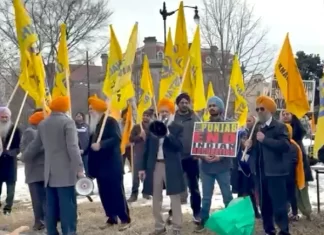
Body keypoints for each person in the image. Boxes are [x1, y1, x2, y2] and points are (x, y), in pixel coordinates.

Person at [23, 96, 84, 235]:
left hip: (48, 172)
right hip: (66, 172)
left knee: (51, 205)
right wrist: (79, 167)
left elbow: (34, 145)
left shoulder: (43, 124)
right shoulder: (68, 123)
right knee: (67, 205)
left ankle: (51, 231)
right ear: (65, 107)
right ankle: (69, 231)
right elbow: (73, 147)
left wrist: (24, 157)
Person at [139, 98, 185, 235]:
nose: (164, 113)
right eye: (161, 111)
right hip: (155, 166)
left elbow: (179, 147)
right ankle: (159, 227)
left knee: (175, 198)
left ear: (171, 112)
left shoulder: (177, 128)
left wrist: (168, 135)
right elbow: (146, 150)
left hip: (171, 166)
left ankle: (177, 227)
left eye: (166, 111)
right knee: (156, 198)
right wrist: (142, 168)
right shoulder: (152, 128)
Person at [245, 95, 291, 235]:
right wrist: (249, 146)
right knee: (264, 205)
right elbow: (254, 149)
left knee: (279, 205)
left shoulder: (279, 126)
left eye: (262, 108)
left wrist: (265, 140)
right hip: (260, 173)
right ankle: (268, 230)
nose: (259, 111)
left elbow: (285, 145)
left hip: (276, 173)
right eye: (257, 109)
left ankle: (283, 230)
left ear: (270, 110)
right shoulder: (256, 128)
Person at [87, 95, 131, 231]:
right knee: (104, 193)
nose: (89, 111)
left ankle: (125, 218)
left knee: (116, 192)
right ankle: (111, 218)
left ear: (99, 110)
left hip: (112, 165)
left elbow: (116, 139)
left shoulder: (110, 121)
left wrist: (101, 144)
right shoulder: (95, 125)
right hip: (100, 167)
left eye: (91, 109)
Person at [194, 96, 233, 233]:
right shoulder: (202, 126)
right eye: (209, 105)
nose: (211, 108)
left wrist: (220, 156)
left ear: (220, 108)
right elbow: (196, 148)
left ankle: (231, 221)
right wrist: (202, 156)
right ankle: (204, 220)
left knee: (227, 195)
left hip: (223, 168)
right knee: (206, 197)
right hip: (206, 168)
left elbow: (232, 146)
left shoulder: (228, 125)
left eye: (214, 105)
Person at [281, 110, 313, 220]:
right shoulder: (279, 128)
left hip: (299, 163)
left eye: (287, 114)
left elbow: (302, 131)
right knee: (290, 191)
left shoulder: (298, 129)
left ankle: (307, 211)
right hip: (286, 165)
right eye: (283, 114)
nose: (285, 116)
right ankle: (291, 211)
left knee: (301, 189)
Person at [174, 93, 201, 221]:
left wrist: (198, 152)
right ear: (177, 104)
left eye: (186, 102)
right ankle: (173, 212)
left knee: (194, 187)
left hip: (192, 157)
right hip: (177, 158)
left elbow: (201, 134)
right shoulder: (172, 118)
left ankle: (197, 212)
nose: (184, 105)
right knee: (176, 187)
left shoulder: (195, 117)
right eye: (182, 103)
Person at [20, 109, 46, 230]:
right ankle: (39, 221)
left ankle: (43, 220)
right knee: (37, 199)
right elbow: (27, 151)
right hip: (34, 171)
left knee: (43, 198)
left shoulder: (42, 131)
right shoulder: (30, 132)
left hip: (43, 170)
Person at [230, 129, 260, 218]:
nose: (245, 140)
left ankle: (255, 211)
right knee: (241, 193)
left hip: (250, 175)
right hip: (239, 175)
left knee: (251, 193)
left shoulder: (253, 150)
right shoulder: (236, 151)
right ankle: (241, 212)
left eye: (247, 138)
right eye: (243, 138)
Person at [127, 109, 153, 202]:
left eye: (147, 115)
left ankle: (146, 192)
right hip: (138, 153)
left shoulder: (153, 127)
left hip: (149, 153)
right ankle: (134, 193)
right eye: (144, 115)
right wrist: (139, 136)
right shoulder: (137, 127)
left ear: (151, 117)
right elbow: (131, 139)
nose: (145, 117)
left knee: (148, 173)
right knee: (136, 174)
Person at [0, 106, 21, 215]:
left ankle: (8, 208)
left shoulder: (15, 129)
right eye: (2, 117)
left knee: (10, 188)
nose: (4, 119)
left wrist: (11, 152)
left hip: (10, 163)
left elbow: (19, 146)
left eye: (6, 117)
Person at [284, 124, 305, 221]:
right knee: (289, 195)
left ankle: (293, 212)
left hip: (288, 175)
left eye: (286, 131)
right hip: (287, 175)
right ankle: (292, 212)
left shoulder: (293, 145)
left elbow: (293, 161)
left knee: (291, 195)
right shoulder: (292, 144)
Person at [75, 112, 90, 176]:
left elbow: (89, 137)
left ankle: (88, 180)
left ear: (83, 117)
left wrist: (85, 149)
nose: (78, 116)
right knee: (77, 169)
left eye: (80, 115)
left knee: (87, 167)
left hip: (85, 150)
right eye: (77, 115)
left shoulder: (86, 126)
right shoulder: (72, 126)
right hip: (75, 150)